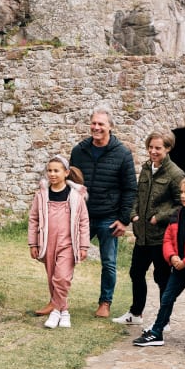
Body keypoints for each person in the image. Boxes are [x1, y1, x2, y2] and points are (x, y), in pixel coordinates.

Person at [133, 176, 185, 351]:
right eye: (181, 192)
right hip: (178, 266)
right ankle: (157, 331)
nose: (182, 196)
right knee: (167, 298)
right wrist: (172, 257)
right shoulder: (177, 215)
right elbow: (168, 239)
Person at [69, 104, 137, 317]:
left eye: (101, 124)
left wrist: (124, 220)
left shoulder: (122, 153)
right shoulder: (79, 151)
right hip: (83, 215)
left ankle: (105, 302)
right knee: (66, 256)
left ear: (110, 127)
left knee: (108, 262)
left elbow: (130, 189)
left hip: (109, 217)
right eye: (94, 123)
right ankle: (58, 299)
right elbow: (70, 182)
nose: (96, 127)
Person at [113, 131, 185, 326]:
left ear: (168, 148)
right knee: (136, 273)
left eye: (158, 148)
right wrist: (133, 214)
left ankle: (164, 321)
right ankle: (135, 314)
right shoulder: (146, 168)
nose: (153, 151)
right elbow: (138, 194)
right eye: (150, 147)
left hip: (162, 237)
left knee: (162, 278)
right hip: (142, 235)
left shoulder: (176, 174)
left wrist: (159, 217)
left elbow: (182, 205)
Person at [28, 155, 90, 328]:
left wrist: (84, 245)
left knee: (61, 278)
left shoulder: (76, 196)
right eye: (49, 170)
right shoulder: (41, 195)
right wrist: (33, 243)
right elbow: (33, 219)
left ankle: (57, 310)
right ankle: (63, 313)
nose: (52, 174)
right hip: (47, 243)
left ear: (66, 173)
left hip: (68, 244)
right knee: (51, 278)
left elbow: (84, 221)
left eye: (56, 170)